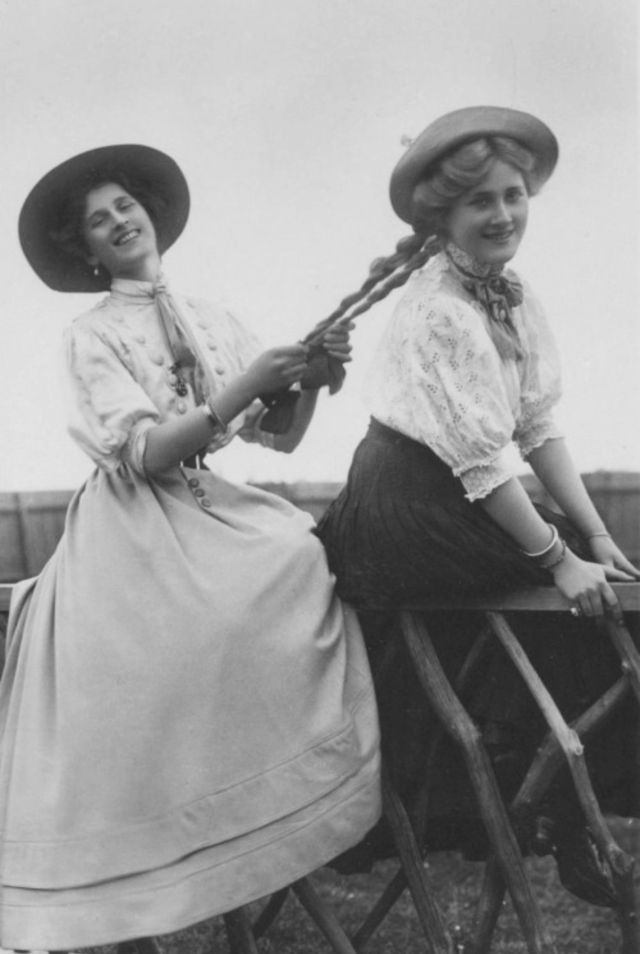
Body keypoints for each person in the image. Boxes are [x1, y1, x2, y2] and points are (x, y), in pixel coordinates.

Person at [0, 144, 381, 950]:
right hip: (132, 519)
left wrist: (310, 380)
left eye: (125, 205)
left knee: (299, 551)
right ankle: (173, 824)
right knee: (191, 629)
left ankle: (283, 782)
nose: (119, 222)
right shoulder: (90, 335)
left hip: (208, 500)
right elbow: (144, 454)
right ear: (85, 250)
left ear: (149, 214)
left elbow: (277, 436)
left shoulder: (211, 317)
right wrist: (247, 385)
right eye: (98, 222)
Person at [316, 106, 640, 901]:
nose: (502, 214)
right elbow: (484, 464)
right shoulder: (440, 311)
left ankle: (559, 797)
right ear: (443, 216)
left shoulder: (510, 295)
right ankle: (563, 818)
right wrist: (558, 560)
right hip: (405, 509)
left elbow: (537, 426)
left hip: (463, 496)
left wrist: (596, 535)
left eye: (513, 195)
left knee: (608, 590)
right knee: (575, 604)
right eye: (480, 202)